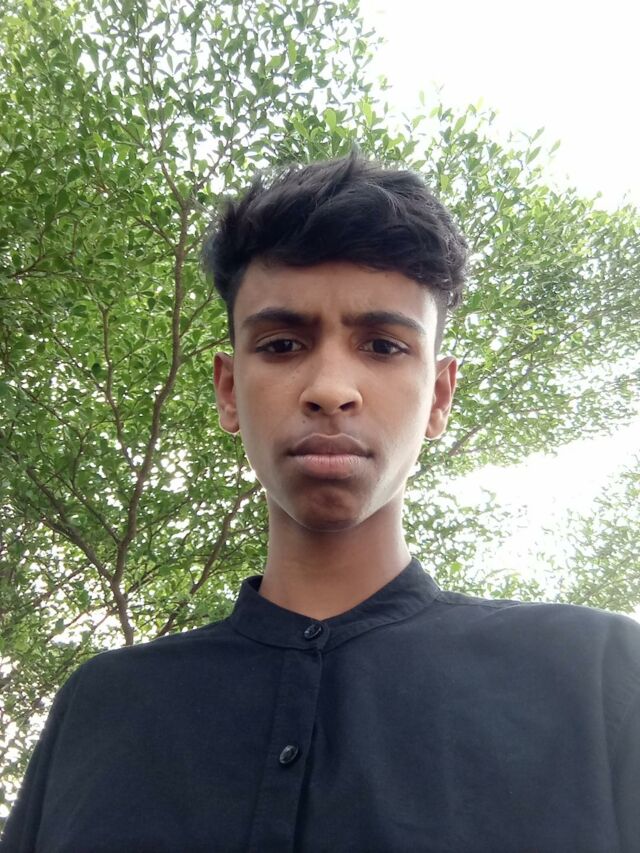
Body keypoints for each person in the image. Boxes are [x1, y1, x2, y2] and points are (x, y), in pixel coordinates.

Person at [2, 152, 639, 853]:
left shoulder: (598, 677)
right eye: (282, 344)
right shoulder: (101, 708)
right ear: (228, 390)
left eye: (384, 346)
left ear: (439, 396)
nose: (331, 388)